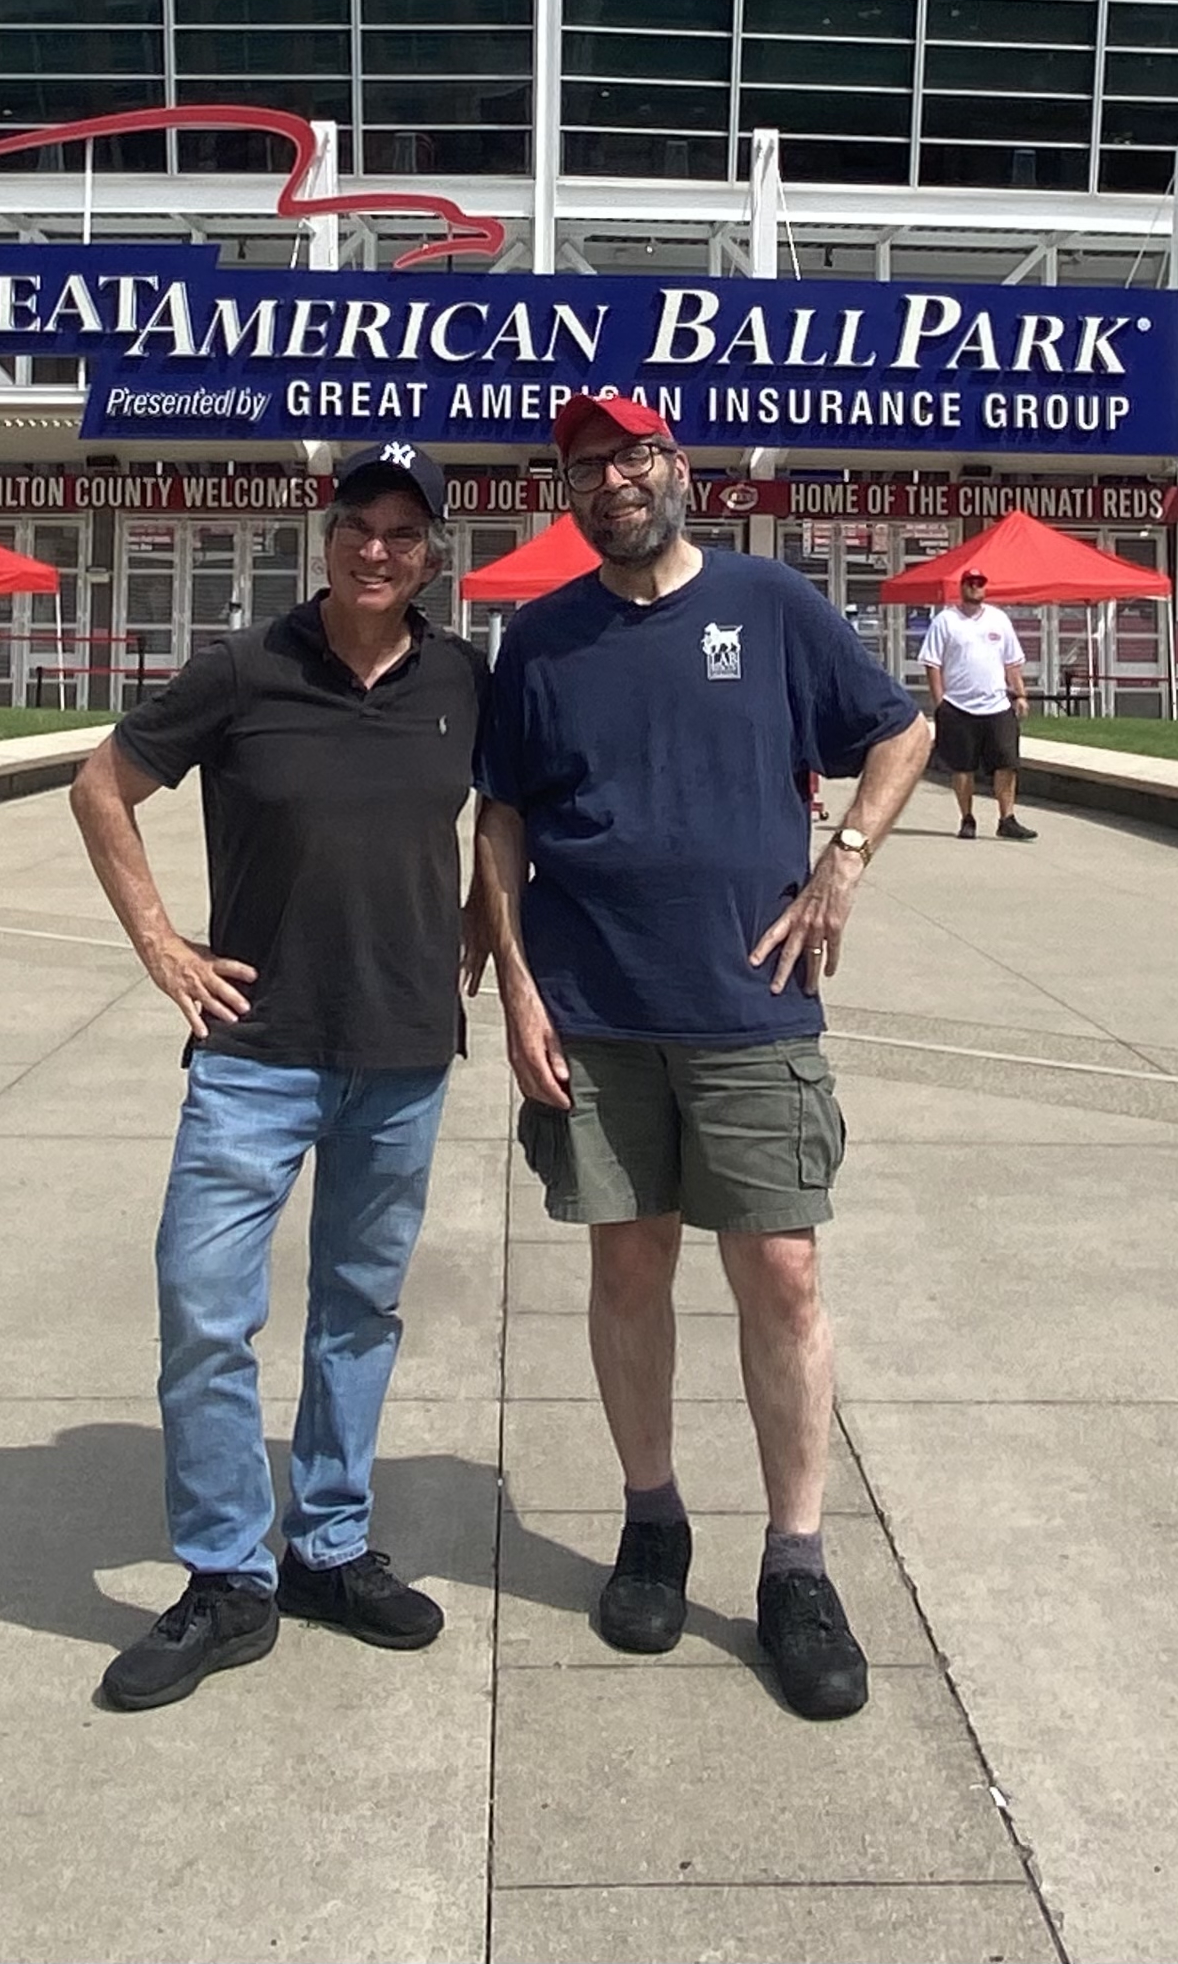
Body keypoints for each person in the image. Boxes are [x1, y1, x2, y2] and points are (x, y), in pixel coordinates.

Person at [471, 393, 934, 1723]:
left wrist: (843, 858)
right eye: (584, 466)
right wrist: (514, 984)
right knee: (628, 1261)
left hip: (752, 1002)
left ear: (677, 466)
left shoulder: (768, 602)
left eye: (631, 455)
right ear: (563, 493)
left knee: (781, 1269)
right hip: (593, 1008)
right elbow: (500, 817)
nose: (611, 479)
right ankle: (652, 1517)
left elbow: (899, 730)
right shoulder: (541, 640)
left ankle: (795, 1559)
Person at [65, 442, 485, 1713]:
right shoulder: (242, 671)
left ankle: (331, 1546)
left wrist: (478, 935)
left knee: (359, 1312)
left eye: (405, 534)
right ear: (327, 533)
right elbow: (100, 787)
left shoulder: (465, 679)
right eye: (359, 523)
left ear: (431, 558)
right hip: (254, 1058)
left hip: (402, 1056)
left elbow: (521, 815)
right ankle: (225, 1575)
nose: (378, 548)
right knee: (204, 1311)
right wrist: (162, 947)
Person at [919, 566, 1036, 841]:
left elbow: (1012, 662)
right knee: (963, 767)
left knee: (1007, 763)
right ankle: (967, 819)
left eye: (979, 582)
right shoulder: (946, 621)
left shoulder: (999, 619)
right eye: (970, 582)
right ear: (961, 587)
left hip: (997, 705)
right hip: (958, 707)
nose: (975, 587)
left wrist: (1020, 695)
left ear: (985, 587)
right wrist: (940, 703)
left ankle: (1007, 818)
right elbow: (932, 664)